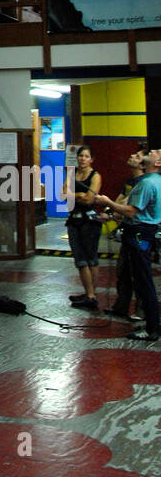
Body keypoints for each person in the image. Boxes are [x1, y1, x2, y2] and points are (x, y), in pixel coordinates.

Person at [95, 150, 161, 342]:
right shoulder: (152, 181)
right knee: (142, 279)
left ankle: (152, 329)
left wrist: (107, 202)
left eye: (156, 152)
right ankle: (152, 323)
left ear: (157, 163)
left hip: (139, 233)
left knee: (143, 281)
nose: (153, 151)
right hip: (145, 231)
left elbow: (132, 211)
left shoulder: (147, 183)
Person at [65, 145, 102, 311]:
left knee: (89, 258)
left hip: (89, 221)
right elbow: (63, 194)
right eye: (80, 156)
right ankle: (89, 293)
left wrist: (77, 196)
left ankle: (91, 295)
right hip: (74, 219)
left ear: (91, 159)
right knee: (80, 258)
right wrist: (79, 195)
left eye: (86, 156)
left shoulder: (95, 176)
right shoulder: (72, 174)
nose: (82, 159)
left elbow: (89, 200)